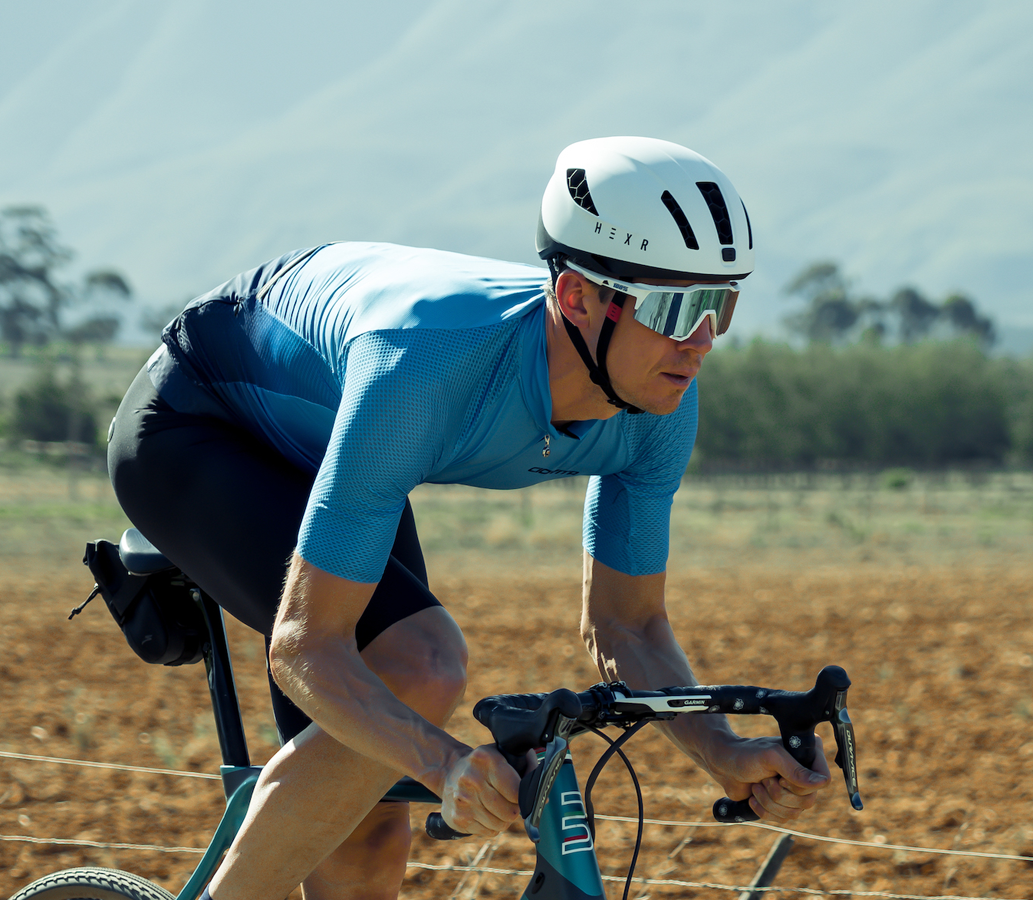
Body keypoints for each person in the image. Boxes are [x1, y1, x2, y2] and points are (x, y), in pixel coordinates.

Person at [106, 137, 831, 900]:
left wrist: (722, 750)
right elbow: (306, 646)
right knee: (422, 663)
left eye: (722, 305)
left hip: (335, 441)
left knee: (368, 831)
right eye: (677, 308)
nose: (701, 343)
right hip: (199, 421)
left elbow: (628, 627)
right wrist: (445, 764)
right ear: (579, 296)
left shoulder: (657, 404)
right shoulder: (423, 369)